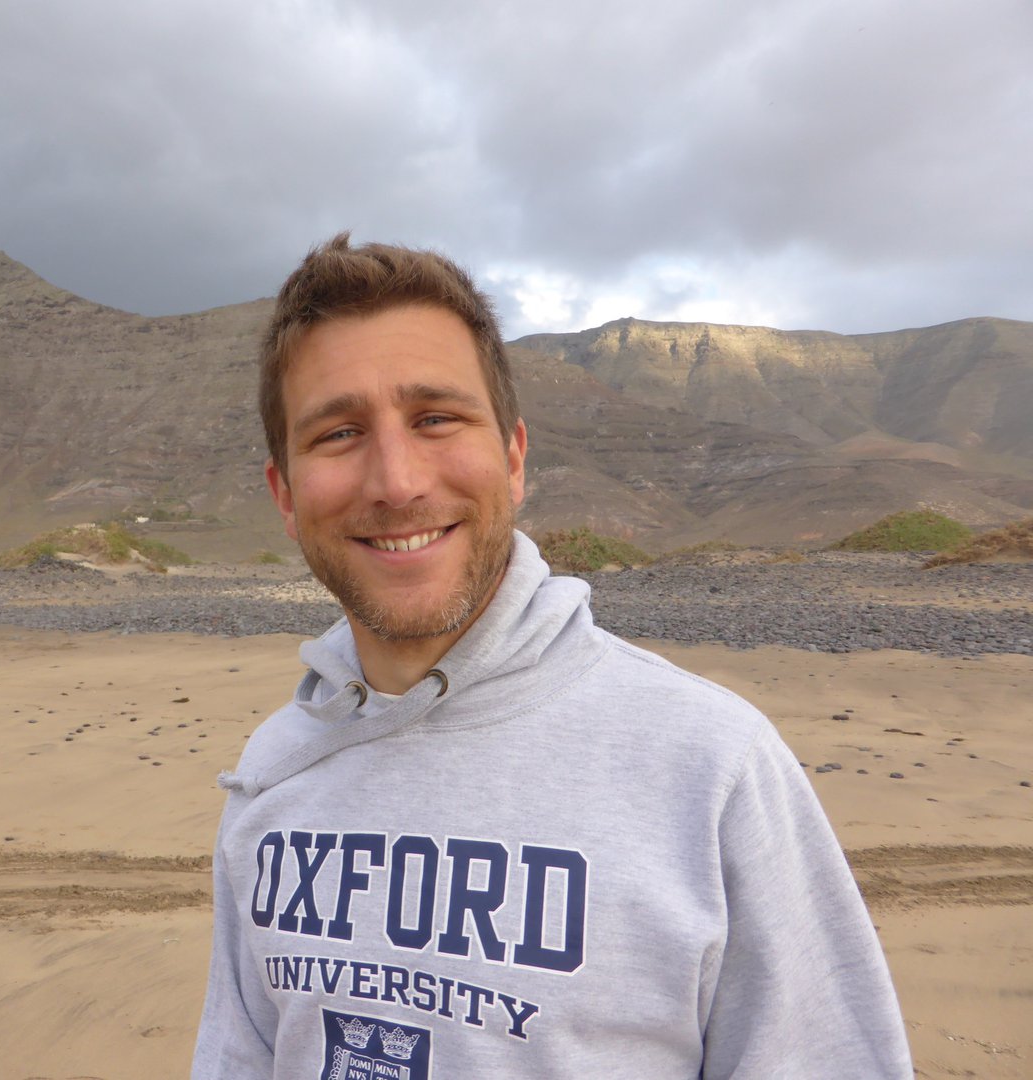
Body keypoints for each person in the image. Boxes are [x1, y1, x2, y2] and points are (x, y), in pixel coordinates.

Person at [191, 234, 912, 1079]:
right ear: (284, 494)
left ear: (514, 456)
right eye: (339, 432)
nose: (395, 481)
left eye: (435, 418)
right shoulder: (274, 772)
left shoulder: (710, 766)